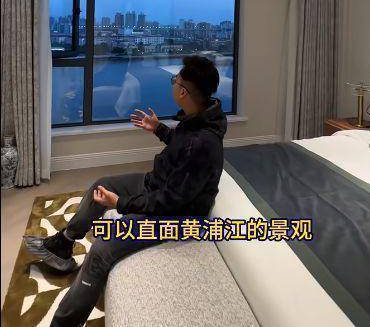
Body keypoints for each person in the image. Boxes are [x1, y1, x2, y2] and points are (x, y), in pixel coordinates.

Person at [24, 55, 227, 327]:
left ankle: (63, 323)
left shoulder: (203, 142)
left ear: (183, 92)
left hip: (178, 217)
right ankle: (64, 243)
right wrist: (160, 130)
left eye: (175, 80)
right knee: (102, 184)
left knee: (101, 251)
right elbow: (183, 148)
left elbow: (169, 201)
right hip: (160, 184)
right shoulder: (198, 119)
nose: (172, 84)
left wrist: (121, 203)